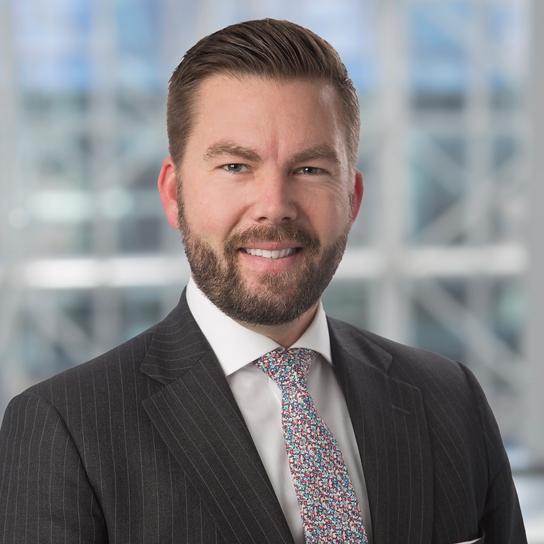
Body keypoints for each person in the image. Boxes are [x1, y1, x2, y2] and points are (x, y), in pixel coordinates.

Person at [0, 18, 526, 544]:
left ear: (352, 198)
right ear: (174, 194)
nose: (274, 206)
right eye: (235, 166)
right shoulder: (64, 429)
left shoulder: (450, 400)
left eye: (310, 169)